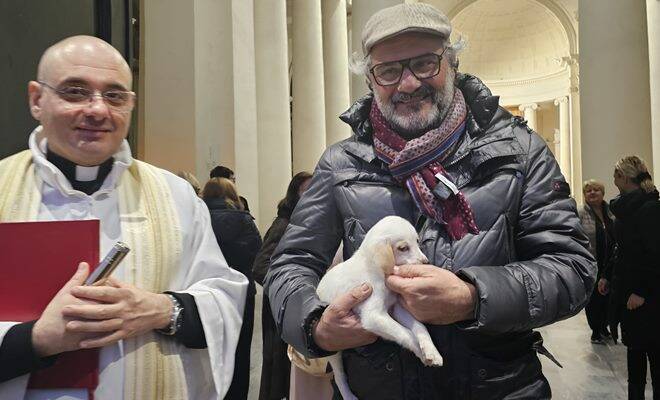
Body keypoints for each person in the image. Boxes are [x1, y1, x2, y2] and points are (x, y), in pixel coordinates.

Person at [264, 4, 596, 399]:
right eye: (388, 70)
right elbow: (289, 265)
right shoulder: (340, 163)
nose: (407, 83)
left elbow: (572, 268)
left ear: (453, 64)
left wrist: (473, 297)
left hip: (500, 388)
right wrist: (315, 323)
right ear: (371, 81)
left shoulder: (520, 151)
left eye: (425, 63)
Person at [0, 36, 248, 399]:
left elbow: (223, 297)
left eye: (114, 96)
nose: (97, 109)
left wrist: (162, 309)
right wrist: (36, 339)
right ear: (37, 99)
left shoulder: (175, 195)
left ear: (130, 105)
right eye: (75, 91)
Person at [600, 156, 660, 399]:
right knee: (635, 356)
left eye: (615, 176)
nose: (613, 181)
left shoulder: (650, 209)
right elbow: (620, 249)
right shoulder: (626, 208)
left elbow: (655, 255)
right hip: (630, 295)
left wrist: (642, 292)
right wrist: (606, 276)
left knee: (655, 358)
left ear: (623, 178)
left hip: (649, 299)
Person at [252, 171, 312, 400]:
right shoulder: (284, 224)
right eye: (307, 190)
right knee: (278, 372)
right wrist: (291, 287)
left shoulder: (305, 223)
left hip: (296, 310)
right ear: (294, 194)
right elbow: (260, 266)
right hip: (282, 311)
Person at [201, 177, 262, 400]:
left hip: (201, 292)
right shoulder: (243, 221)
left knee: (205, 351)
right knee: (239, 352)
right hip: (240, 293)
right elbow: (257, 256)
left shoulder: (196, 218)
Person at [578, 179, 616, 344]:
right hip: (591, 261)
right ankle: (595, 330)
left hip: (610, 261)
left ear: (603, 193)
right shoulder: (579, 212)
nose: (592, 193)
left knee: (608, 296)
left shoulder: (611, 211)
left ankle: (604, 327)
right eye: (588, 191)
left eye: (596, 190)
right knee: (593, 298)